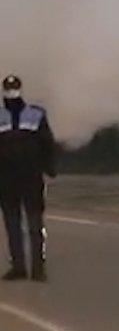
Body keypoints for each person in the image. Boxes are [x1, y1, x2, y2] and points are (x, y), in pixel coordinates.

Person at [0, 75, 56, 282]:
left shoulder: (36, 114)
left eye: (13, 88)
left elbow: (47, 143)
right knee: (12, 225)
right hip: (6, 180)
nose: (11, 92)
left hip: (31, 177)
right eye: (8, 88)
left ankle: (38, 268)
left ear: (20, 90)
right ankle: (18, 266)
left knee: (35, 225)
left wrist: (49, 168)